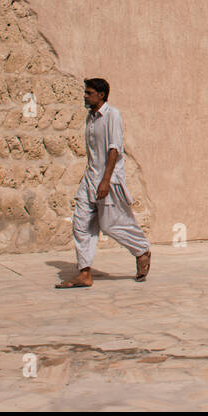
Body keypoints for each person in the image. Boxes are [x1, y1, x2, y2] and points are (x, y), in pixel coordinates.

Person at [56, 78, 152, 288]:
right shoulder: (90, 118)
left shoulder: (112, 115)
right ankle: (84, 272)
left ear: (101, 95)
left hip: (108, 179)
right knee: (81, 223)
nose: (85, 96)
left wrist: (105, 181)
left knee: (109, 225)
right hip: (90, 178)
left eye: (89, 93)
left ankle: (141, 249)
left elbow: (114, 148)